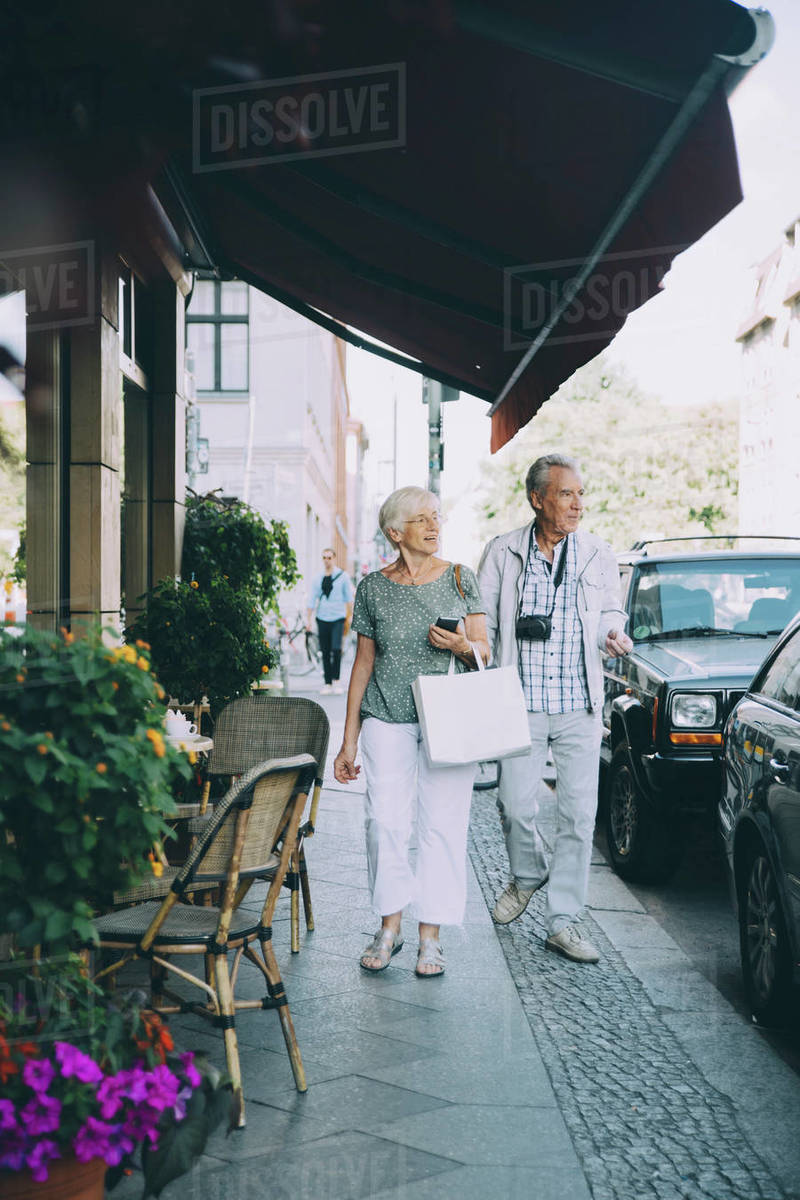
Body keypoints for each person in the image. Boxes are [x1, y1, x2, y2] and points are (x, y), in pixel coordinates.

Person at [477, 453, 632, 963]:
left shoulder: (597, 554)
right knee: (513, 805)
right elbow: (486, 626)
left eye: (581, 494)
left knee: (578, 815)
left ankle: (562, 920)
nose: (577, 504)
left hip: (579, 706)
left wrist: (614, 631)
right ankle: (528, 872)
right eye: (566, 494)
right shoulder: (502, 552)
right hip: (517, 704)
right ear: (537, 498)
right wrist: (470, 657)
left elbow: (612, 607)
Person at [333, 486, 489, 978]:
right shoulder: (374, 587)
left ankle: (431, 936)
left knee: (442, 825)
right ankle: (389, 927)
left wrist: (463, 645)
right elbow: (362, 664)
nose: (434, 526)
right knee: (384, 823)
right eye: (422, 519)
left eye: (436, 517)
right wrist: (348, 739)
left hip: (449, 716)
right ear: (395, 532)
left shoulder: (462, 579)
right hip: (387, 715)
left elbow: (486, 650)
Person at [306, 548, 354, 695]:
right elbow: (311, 600)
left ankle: (336, 680)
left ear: (334, 558)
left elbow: (348, 599)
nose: (327, 560)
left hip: (338, 617)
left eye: (329, 558)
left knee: (336, 649)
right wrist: (308, 620)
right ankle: (327, 683)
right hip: (322, 617)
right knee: (325, 651)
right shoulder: (317, 578)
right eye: (324, 558)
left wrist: (350, 616)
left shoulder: (343, 577)